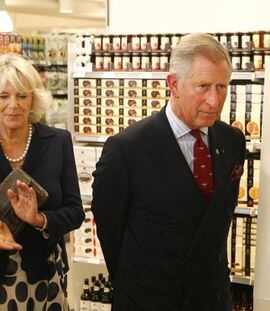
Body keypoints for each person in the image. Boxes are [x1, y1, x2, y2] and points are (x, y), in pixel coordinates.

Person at [92, 33, 246, 311]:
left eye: (222, 86)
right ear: (173, 84)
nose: (214, 100)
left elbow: (215, 224)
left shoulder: (232, 141)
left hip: (211, 299)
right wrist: (138, 286)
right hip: (150, 300)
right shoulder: (127, 148)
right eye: (203, 86)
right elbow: (109, 231)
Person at [0, 54, 84, 310]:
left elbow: (75, 212)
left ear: (34, 99)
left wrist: (40, 220)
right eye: (4, 96)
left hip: (44, 277)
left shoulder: (57, 141)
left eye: (22, 96)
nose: (13, 104)